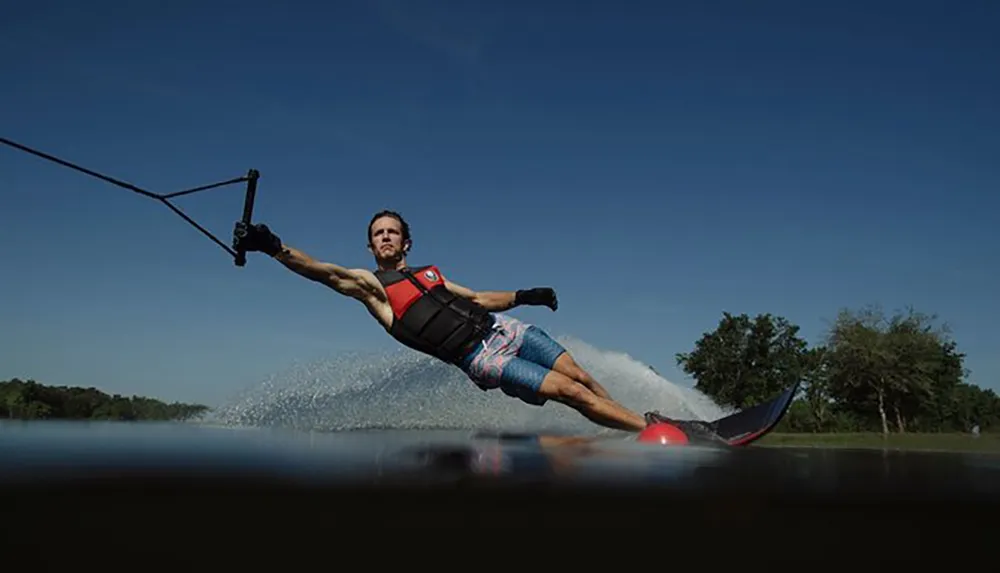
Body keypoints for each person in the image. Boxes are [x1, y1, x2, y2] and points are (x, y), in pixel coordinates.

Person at [232, 209, 653, 433]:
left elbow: (477, 297)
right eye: (377, 233)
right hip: (480, 357)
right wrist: (273, 247)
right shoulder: (371, 288)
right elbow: (324, 271)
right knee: (569, 392)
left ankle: (643, 423)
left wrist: (525, 296)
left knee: (578, 373)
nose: (385, 237)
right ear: (370, 246)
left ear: (405, 241)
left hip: (504, 329)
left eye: (391, 231)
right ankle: (653, 432)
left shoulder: (431, 274)